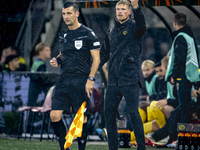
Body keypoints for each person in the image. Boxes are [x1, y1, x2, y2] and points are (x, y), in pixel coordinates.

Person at [50, 2, 100, 150]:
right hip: (64, 79)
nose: (66, 17)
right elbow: (64, 53)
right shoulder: (63, 34)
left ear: (77, 14)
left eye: (69, 13)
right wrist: (57, 60)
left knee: (80, 119)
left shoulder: (88, 33)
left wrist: (91, 79)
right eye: (64, 14)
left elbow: (96, 59)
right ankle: (64, 146)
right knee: (54, 115)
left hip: (81, 80)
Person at [100, 0, 146, 149]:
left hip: (130, 78)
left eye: (123, 9)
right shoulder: (111, 31)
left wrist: (137, 7)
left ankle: (141, 147)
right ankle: (112, 147)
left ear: (129, 12)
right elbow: (103, 54)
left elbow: (142, 26)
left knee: (134, 114)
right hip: (113, 80)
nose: (119, 11)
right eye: (118, 9)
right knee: (109, 115)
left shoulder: (134, 28)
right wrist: (90, 72)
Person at [147, 12, 200, 144]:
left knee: (183, 110)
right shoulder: (190, 37)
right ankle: (171, 138)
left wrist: (173, 76)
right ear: (186, 23)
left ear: (174, 23)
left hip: (184, 77)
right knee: (182, 109)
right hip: (190, 77)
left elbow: (179, 59)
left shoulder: (181, 38)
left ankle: (181, 138)